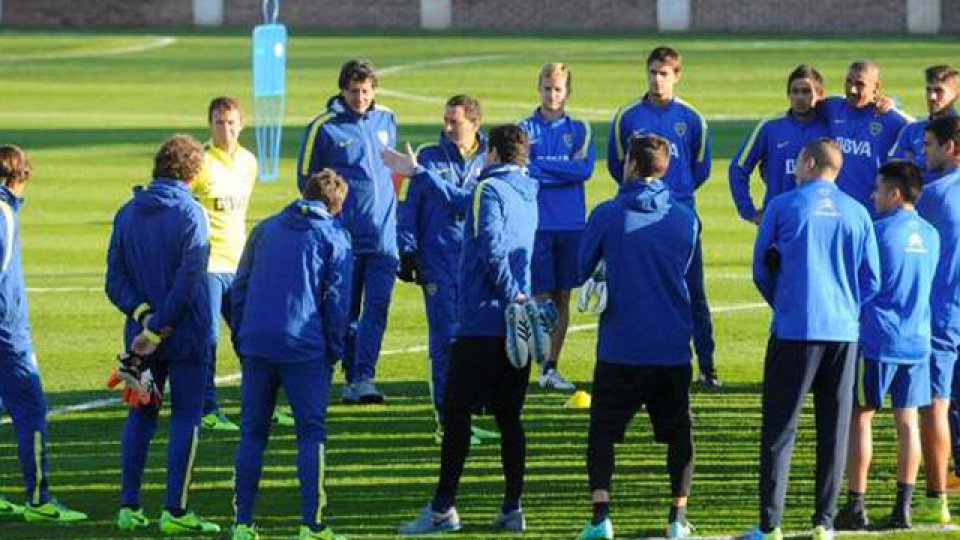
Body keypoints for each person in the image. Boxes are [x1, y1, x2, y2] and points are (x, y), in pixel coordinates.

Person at [396, 125, 538, 535]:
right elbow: (468, 204)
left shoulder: (487, 191)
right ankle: (512, 507)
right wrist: (421, 173)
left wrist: (512, 295)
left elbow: (492, 250)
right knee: (510, 418)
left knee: (456, 415)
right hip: (518, 326)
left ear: (492, 153)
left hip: (482, 322)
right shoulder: (527, 192)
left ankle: (443, 509)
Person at [739, 138, 880, 540]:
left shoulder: (784, 206)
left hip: (794, 330)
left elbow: (760, 268)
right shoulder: (857, 213)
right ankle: (824, 522)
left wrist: (783, 303)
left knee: (781, 429)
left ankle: (771, 524)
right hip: (842, 335)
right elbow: (872, 278)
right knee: (834, 430)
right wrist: (846, 306)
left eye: (799, 161)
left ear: (810, 163)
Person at [575, 134, 697, 540]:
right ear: (664, 167)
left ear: (629, 165)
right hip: (671, 345)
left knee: (602, 433)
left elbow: (580, 268)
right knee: (679, 433)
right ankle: (677, 519)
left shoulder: (608, 214)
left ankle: (600, 518)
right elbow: (691, 280)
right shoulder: (684, 218)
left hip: (621, 345)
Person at [105, 134, 219, 534]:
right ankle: (176, 510)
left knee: (141, 414)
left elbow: (113, 280)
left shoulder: (127, 212)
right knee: (186, 418)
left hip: (139, 340)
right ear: (193, 172)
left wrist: (144, 317)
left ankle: (129, 506)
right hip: (185, 337)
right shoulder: (192, 214)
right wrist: (159, 327)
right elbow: (188, 283)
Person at [230, 170, 352, 540]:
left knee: (252, 433)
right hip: (305, 348)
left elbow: (240, 288)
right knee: (310, 434)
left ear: (303, 193)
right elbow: (337, 302)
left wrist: (242, 336)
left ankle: (242, 523)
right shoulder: (334, 237)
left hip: (257, 344)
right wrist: (334, 349)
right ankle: (311, 524)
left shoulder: (265, 229)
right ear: (337, 205)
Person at [834, 161, 938, 531]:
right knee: (908, 421)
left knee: (861, 417)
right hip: (917, 340)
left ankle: (856, 505)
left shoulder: (876, 232)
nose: (872, 195)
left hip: (878, 340)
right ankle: (903, 508)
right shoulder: (931, 234)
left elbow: (862, 284)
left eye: (878, 189)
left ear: (895, 193)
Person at [607, 45, 718, 388]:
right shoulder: (627, 117)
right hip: (637, 218)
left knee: (693, 291)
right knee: (637, 290)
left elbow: (700, 168)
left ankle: (707, 367)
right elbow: (617, 165)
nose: (657, 79)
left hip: (680, 216)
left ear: (677, 76)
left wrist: (677, 196)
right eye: (653, 72)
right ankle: (641, 363)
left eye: (664, 73)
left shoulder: (692, 119)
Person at [394, 94, 498, 445]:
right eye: (446, 120)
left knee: (473, 342)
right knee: (445, 343)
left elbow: (475, 205)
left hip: (475, 264)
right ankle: (446, 419)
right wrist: (406, 249)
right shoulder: (427, 155)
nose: (448, 127)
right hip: (438, 261)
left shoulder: (490, 158)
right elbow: (410, 206)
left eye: (455, 121)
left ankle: (465, 416)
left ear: (475, 124)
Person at [297, 59, 397, 404]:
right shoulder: (324, 128)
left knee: (378, 308)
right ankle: (348, 375)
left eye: (366, 91)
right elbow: (306, 182)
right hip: (344, 240)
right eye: (354, 91)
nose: (360, 98)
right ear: (342, 90)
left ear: (374, 90)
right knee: (345, 312)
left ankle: (364, 376)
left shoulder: (387, 120)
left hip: (385, 238)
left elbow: (393, 174)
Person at [191, 97, 294, 431]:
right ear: (210, 125)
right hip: (207, 267)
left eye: (232, 122)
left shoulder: (248, 162)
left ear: (242, 124)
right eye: (219, 123)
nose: (226, 129)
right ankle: (207, 408)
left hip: (239, 265)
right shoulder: (200, 163)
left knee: (251, 338)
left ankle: (262, 405)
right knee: (208, 340)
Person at [0, 145, 86, 523]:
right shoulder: (3, 212)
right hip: (6, 331)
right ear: (19, 176)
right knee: (32, 408)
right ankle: (39, 500)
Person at [520, 62, 595, 392]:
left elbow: (584, 170)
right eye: (547, 88)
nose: (552, 94)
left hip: (571, 224)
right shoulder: (523, 129)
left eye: (558, 89)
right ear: (539, 88)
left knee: (563, 297)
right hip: (536, 224)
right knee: (538, 299)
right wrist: (562, 169)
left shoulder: (580, 129)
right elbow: (523, 169)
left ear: (568, 92)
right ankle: (530, 363)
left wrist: (543, 168)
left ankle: (551, 367)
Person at [913, 116, 960, 523]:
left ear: (951, 147)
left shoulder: (933, 196)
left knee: (935, 408)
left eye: (929, 144)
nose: (923, 152)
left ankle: (935, 499)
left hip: (941, 315)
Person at [729, 65, 828, 224]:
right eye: (795, 91)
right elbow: (738, 168)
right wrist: (748, 211)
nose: (800, 97)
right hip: (778, 223)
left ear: (820, 95)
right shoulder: (770, 127)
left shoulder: (830, 128)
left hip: (819, 221)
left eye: (806, 91)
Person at [820, 60, 911, 213]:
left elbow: (918, 129)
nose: (852, 90)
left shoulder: (890, 118)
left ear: (876, 87)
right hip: (835, 207)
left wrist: (894, 101)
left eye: (860, 84)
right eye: (848, 82)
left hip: (871, 210)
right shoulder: (833, 107)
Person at [889, 65, 958, 172]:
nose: (932, 97)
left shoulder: (957, 132)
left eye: (939, 91)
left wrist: (915, 164)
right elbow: (895, 171)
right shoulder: (911, 131)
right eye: (928, 90)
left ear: (956, 94)